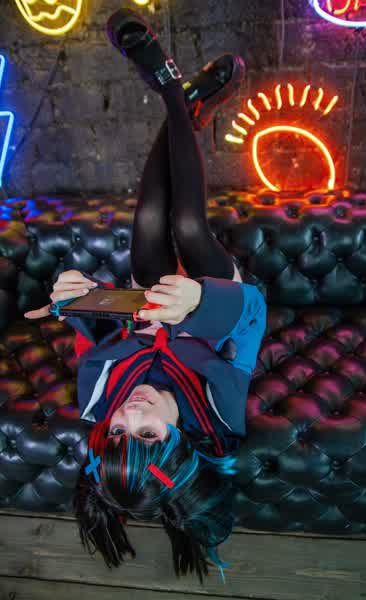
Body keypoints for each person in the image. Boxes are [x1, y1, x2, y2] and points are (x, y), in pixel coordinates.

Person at [24, 7, 267, 584]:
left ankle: (188, 102)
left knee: (150, 220)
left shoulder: (99, 402)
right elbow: (253, 317)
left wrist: (76, 301)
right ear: (177, 443)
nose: (129, 414)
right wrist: (199, 302)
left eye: (116, 433)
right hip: (208, 303)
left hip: (145, 302)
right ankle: (171, 88)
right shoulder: (218, 412)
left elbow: (101, 339)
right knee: (188, 226)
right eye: (147, 434)